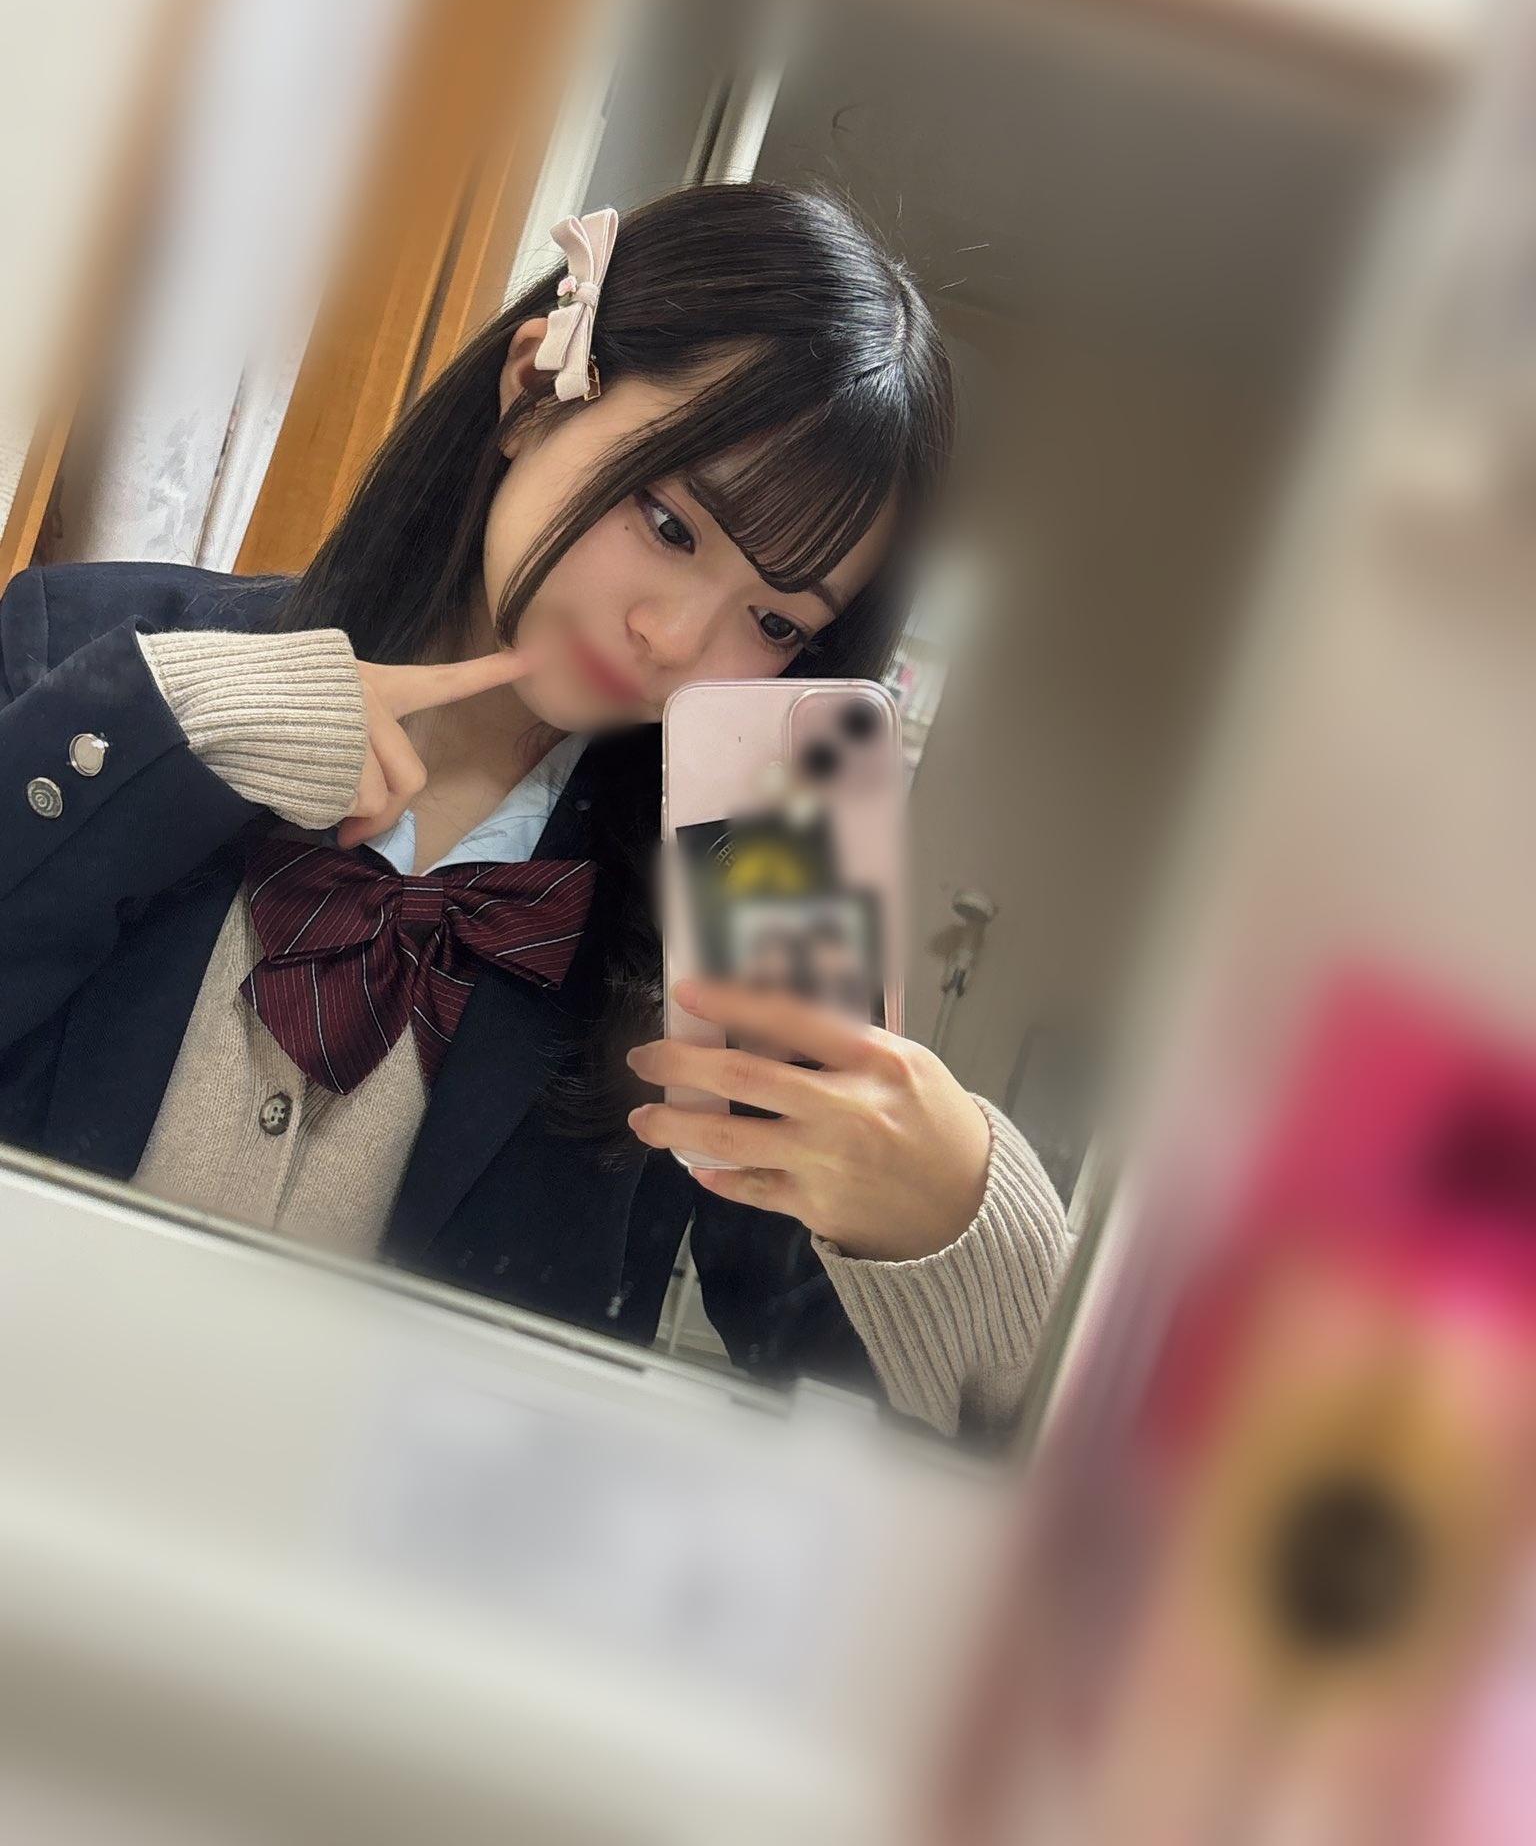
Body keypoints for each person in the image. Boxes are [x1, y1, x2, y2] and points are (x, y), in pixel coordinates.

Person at [0, 183, 1066, 1441]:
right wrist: (179, 729)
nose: (676, 636)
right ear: (533, 390)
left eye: (777, 620)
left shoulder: (749, 880)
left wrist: (952, 1209)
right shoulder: (100, 652)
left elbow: (891, 1395)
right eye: (668, 522)